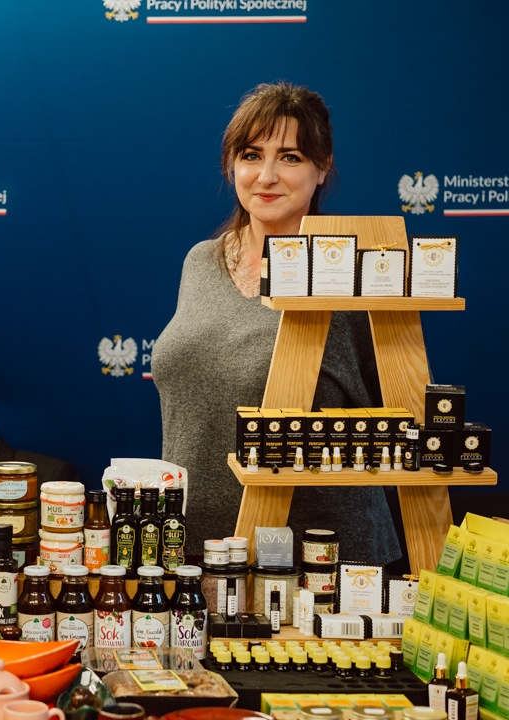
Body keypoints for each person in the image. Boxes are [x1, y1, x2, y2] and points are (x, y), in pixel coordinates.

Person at [151, 81, 402, 565]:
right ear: (232, 164)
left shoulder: (352, 277)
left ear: (322, 167)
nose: (266, 175)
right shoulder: (200, 261)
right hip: (194, 549)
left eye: (289, 157)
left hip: (316, 564)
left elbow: (399, 419)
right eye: (251, 154)